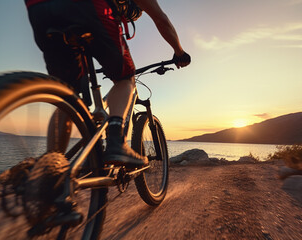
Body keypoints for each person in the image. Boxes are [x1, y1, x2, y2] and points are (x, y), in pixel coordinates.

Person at [25, 0, 191, 168]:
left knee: (69, 96)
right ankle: (116, 141)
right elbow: (161, 19)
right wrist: (179, 52)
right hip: (89, 7)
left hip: (39, 11)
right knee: (125, 79)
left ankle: (51, 169)